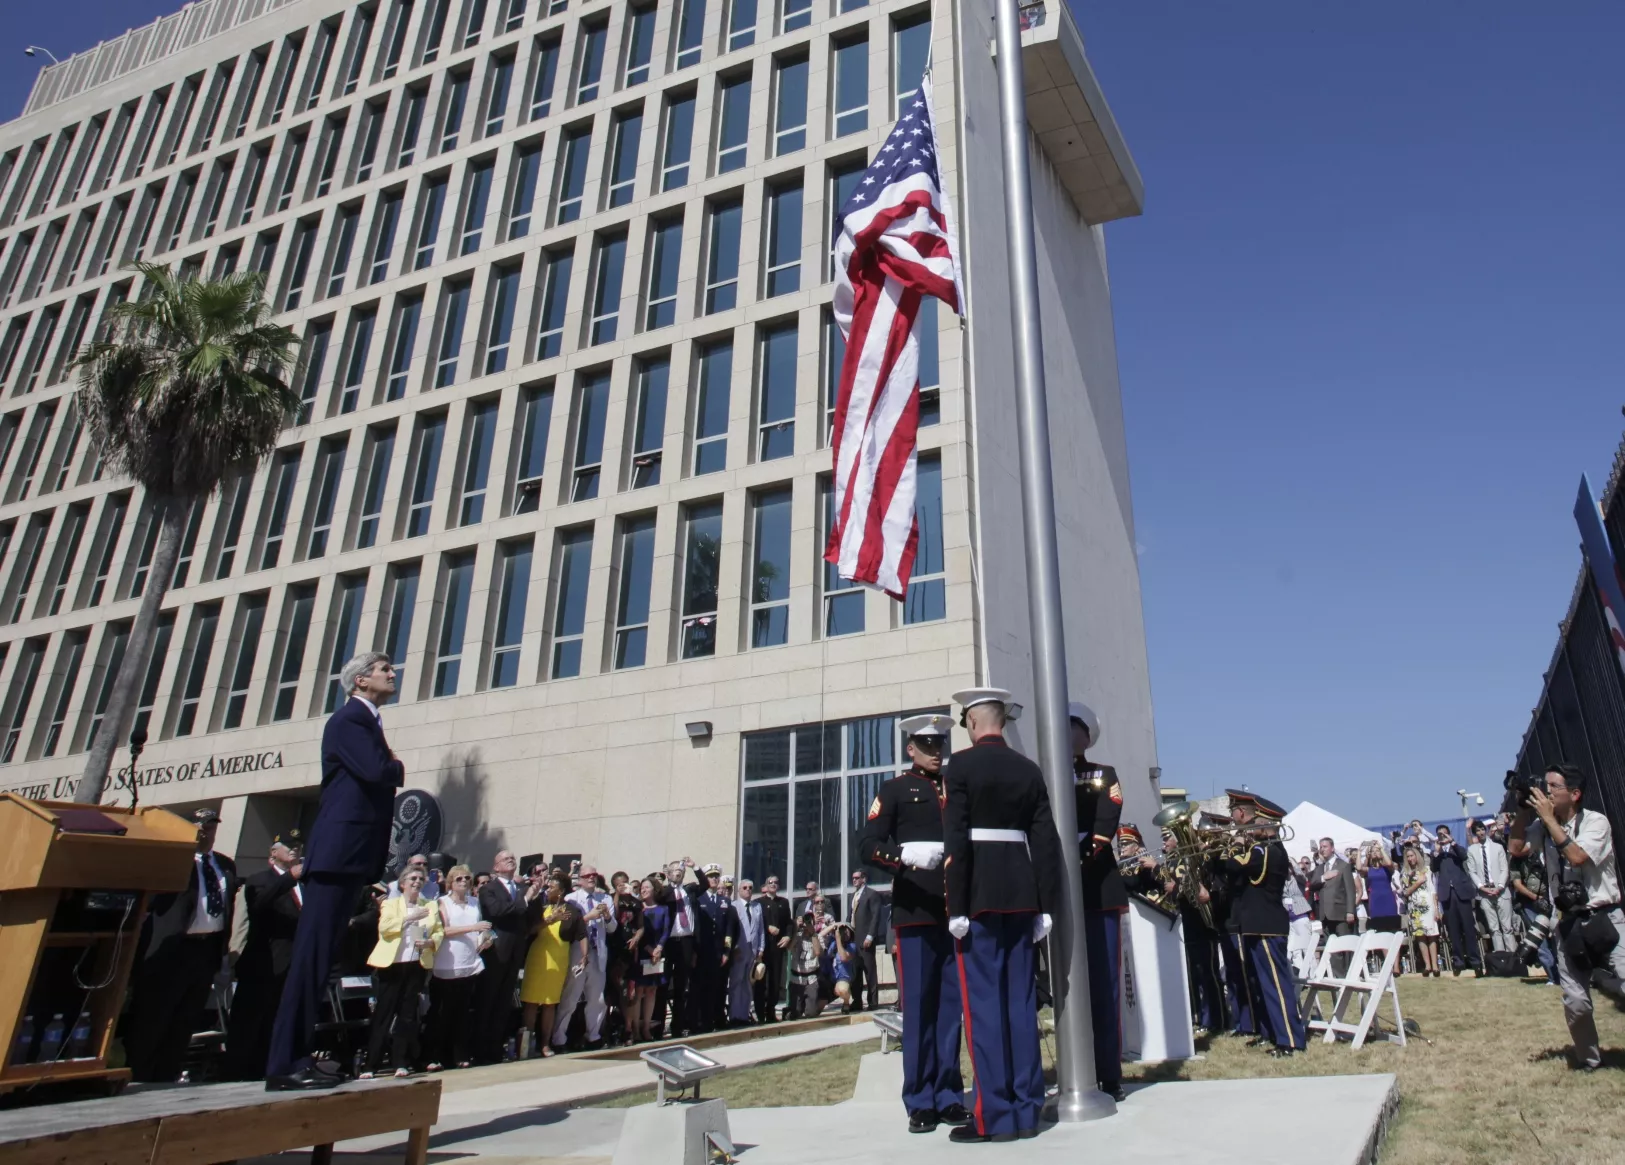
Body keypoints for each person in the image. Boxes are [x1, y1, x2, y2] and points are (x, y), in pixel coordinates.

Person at [266, 652, 404, 1090]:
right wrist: (396, 765)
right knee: (311, 959)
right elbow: (377, 770)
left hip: (352, 858)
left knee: (322, 960)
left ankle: (299, 1055)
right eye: (384, 669)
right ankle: (285, 1062)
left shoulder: (370, 722)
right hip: (336, 855)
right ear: (361, 681)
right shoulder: (349, 721)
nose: (392, 673)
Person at [942, 687, 1064, 1144]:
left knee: (984, 1010)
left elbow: (956, 840)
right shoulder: (1028, 769)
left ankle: (992, 1115)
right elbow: (1046, 842)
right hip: (1022, 896)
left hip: (978, 899)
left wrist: (956, 906)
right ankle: (1026, 1109)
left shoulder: (963, 766)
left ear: (973, 723)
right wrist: (1045, 905)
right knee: (1019, 1005)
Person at [859, 712, 968, 1133]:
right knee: (920, 1007)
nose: (936, 753)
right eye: (927, 746)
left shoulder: (956, 789)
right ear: (911, 749)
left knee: (950, 1008)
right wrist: (901, 857)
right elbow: (867, 845)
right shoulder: (895, 790)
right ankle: (920, 1098)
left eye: (940, 745)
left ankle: (949, 1094)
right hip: (914, 911)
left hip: (953, 912)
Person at [1508, 764, 1625, 1071]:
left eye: (1552, 787)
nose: (1545, 793)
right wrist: (1523, 809)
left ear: (1574, 794)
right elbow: (1516, 848)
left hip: (1605, 916)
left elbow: (1578, 857)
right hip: (1568, 922)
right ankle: (1589, 1060)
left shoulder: (1595, 822)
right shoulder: (1545, 826)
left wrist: (1547, 818)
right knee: (1576, 1001)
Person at [125, 807, 239, 1083]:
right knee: (156, 1015)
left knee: (185, 1017)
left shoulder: (224, 865)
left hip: (206, 948)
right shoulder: (173, 860)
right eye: (199, 826)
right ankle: (140, 1073)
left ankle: (169, 1073)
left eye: (210, 826)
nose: (205, 831)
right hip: (173, 949)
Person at [1064, 700, 1130, 1101]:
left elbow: (1107, 820)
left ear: (1087, 737)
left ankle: (1109, 1072)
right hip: (1060, 891)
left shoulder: (1104, 774)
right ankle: (1075, 1067)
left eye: (1076, 730)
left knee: (1104, 986)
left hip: (1097, 887)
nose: (1069, 735)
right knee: (1068, 987)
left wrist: (1077, 857)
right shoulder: (1044, 772)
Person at [1219, 792, 1306, 1058]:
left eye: (1254, 822)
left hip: (1268, 925)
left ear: (1265, 824)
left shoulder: (1266, 850)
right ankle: (1272, 1033)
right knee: (1262, 985)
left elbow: (1234, 866)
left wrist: (1234, 844)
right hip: (1258, 925)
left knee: (1276, 986)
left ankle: (1290, 1040)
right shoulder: (1263, 849)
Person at [225, 836, 302, 1080]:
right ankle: (236, 1074)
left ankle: (268, 1069)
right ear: (273, 852)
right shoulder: (260, 879)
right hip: (263, 962)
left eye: (298, 846)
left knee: (275, 1021)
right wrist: (288, 879)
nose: (295, 850)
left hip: (292, 964)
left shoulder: (305, 884)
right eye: (289, 846)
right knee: (249, 1022)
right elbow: (259, 905)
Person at [361, 866, 442, 1077]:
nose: (417, 881)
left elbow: (439, 931)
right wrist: (410, 917)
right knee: (383, 1014)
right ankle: (371, 1065)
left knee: (407, 1016)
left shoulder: (430, 905)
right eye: (413, 878)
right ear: (403, 883)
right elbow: (385, 928)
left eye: (421, 879)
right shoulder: (391, 904)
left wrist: (431, 942)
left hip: (416, 964)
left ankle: (401, 1062)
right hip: (392, 965)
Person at [474, 851, 542, 1062]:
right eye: (505, 859)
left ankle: (496, 1048)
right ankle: (480, 1049)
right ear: (496, 867)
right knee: (488, 999)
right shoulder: (489, 889)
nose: (510, 860)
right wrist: (525, 899)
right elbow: (498, 911)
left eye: (512, 858)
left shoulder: (521, 889)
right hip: (496, 950)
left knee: (505, 1001)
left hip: (516, 950)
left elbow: (531, 917)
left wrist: (536, 897)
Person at [426, 866, 490, 1071]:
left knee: (462, 1014)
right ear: (451, 882)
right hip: (447, 963)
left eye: (467, 878)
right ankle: (435, 1055)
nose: (463, 881)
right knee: (442, 1013)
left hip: (469, 962)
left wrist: (486, 939)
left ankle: (460, 1054)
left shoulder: (474, 902)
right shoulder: (442, 902)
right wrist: (473, 928)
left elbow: (481, 928)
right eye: (459, 878)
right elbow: (443, 930)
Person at [1163, 829, 1226, 1035]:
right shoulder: (1181, 860)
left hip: (1203, 923)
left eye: (1168, 837)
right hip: (1189, 921)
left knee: (1208, 973)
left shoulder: (1197, 859)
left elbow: (1199, 885)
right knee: (1193, 975)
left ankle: (1218, 1018)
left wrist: (1175, 886)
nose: (1165, 842)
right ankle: (1201, 1016)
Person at [518, 873, 583, 1056]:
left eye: (551, 888)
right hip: (538, 957)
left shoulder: (570, 910)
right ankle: (526, 1045)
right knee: (531, 1002)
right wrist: (549, 920)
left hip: (558, 958)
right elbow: (530, 930)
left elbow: (578, 932)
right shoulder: (540, 906)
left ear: (561, 892)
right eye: (547, 888)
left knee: (550, 1003)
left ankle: (545, 1044)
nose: (548, 891)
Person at [555, 865, 616, 1050]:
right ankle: (559, 1037)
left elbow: (613, 928)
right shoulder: (571, 899)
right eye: (587, 875)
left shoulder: (604, 898)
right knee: (571, 997)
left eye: (594, 875)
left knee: (597, 999)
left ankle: (594, 1035)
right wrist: (588, 917)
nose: (591, 878)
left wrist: (606, 916)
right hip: (578, 952)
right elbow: (567, 927)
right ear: (579, 880)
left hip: (598, 953)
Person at [1430, 825, 1483, 975]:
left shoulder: (1456, 849)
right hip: (1447, 894)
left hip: (1462, 892)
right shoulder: (1438, 855)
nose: (1442, 837)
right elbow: (1433, 868)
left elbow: (1464, 856)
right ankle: (1458, 961)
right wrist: (1436, 851)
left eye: (1444, 834)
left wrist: (1451, 842)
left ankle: (1475, 961)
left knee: (1468, 928)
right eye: (1440, 835)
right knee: (1453, 930)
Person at [684, 863, 730, 1033]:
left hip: (716, 952)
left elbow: (728, 930)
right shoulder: (698, 897)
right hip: (700, 951)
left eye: (716, 877)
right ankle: (694, 1024)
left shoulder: (723, 901)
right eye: (711, 877)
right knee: (696, 989)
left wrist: (726, 950)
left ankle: (708, 1022)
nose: (714, 880)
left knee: (713, 989)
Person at [1510, 842, 1559, 985]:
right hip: (1530, 904)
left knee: (1558, 937)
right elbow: (1517, 884)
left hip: (1553, 899)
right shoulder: (1515, 860)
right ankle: (1552, 977)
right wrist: (1536, 898)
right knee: (1538, 941)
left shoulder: (1543, 852)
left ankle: (1567, 975)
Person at [629, 877, 671, 1041]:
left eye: (647, 887)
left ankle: (646, 1027)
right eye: (642, 887)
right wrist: (648, 948)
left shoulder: (663, 909)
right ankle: (635, 1029)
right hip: (641, 953)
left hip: (657, 955)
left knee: (652, 990)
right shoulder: (638, 908)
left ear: (654, 889)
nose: (643, 890)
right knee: (638, 991)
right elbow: (638, 931)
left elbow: (666, 930)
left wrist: (659, 948)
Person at [1309, 837, 1358, 974]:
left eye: (1325, 846)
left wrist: (1350, 911)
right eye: (1321, 846)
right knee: (1332, 946)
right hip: (1325, 914)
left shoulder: (1343, 865)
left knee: (1345, 945)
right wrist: (1324, 877)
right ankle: (1338, 975)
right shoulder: (1320, 869)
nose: (1322, 849)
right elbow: (1312, 885)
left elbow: (1350, 890)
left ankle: (1350, 973)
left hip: (1341, 912)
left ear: (1332, 848)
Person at [1465, 819, 1513, 954]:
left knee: (1507, 927)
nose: (1480, 833)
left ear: (1486, 830)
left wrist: (1500, 886)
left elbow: (1504, 869)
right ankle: (1501, 957)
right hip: (1485, 892)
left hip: (1501, 891)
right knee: (1494, 928)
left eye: (1482, 829)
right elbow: (1472, 871)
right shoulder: (1472, 850)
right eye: (1477, 831)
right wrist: (1481, 887)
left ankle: (1513, 957)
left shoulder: (1497, 847)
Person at [1397, 845, 1441, 977]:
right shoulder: (1404, 873)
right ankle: (1427, 965)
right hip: (1415, 907)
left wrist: (1436, 909)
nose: (1410, 858)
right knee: (1420, 935)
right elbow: (1405, 892)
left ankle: (1435, 965)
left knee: (1432, 935)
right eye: (1408, 856)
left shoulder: (1427, 870)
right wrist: (1417, 882)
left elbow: (1433, 890)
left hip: (1428, 905)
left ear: (1417, 856)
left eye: (1412, 855)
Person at [727, 879, 764, 1025]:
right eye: (745, 887)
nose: (748, 890)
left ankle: (744, 1014)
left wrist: (761, 948)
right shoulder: (734, 906)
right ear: (739, 890)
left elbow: (760, 930)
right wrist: (733, 948)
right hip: (739, 949)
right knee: (736, 982)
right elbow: (731, 930)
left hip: (752, 950)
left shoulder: (757, 907)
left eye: (750, 887)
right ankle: (734, 1016)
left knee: (748, 983)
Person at [756, 876, 793, 1022]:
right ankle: (760, 1013)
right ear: (765, 886)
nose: (773, 885)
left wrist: (788, 936)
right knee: (761, 980)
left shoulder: (783, 902)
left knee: (775, 980)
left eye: (776, 883)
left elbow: (788, 923)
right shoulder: (758, 903)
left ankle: (771, 1011)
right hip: (763, 948)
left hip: (777, 948)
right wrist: (767, 928)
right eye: (770, 882)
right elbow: (756, 924)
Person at [848, 870, 882, 1011]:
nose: (854, 880)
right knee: (856, 972)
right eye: (853, 878)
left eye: (857, 878)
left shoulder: (872, 894)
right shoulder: (853, 895)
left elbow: (875, 916)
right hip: (854, 939)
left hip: (865, 939)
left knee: (869, 971)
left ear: (864, 879)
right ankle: (857, 1001)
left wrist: (870, 936)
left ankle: (873, 1002)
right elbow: (850, 916)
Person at [1360, 841, 1402, 934]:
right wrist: (1360, 852)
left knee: (1392, 928)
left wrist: (1381, 849)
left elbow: (1389, 862)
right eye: (1373, 851)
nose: (1375, 852)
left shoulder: (1387, 868)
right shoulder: (1369, 870)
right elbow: (1359, 868)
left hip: (1388, 899)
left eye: (1377, 851)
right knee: (1379, 929)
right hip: (1375, 900)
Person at [788, 912, 824, 1018]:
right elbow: (789, 948)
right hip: (796, 979)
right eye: (806, 922)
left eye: (810, 922)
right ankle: (799, 1007)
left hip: (811, 978)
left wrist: (813, 934)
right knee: (795, 1014)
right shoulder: (797, 936)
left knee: (811, 1014)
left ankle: (813, 1005)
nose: (807, 925)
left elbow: (818, 952)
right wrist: (796, 928)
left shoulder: (818, 937)